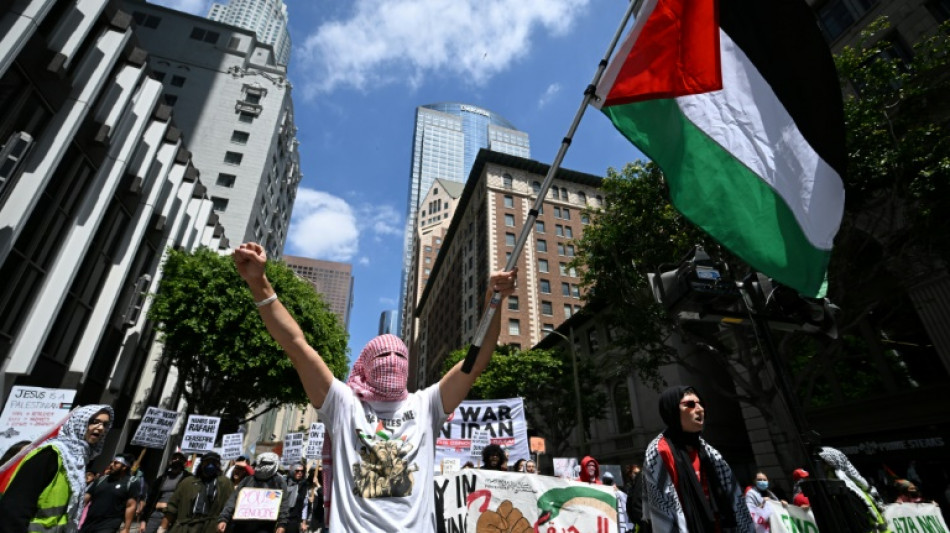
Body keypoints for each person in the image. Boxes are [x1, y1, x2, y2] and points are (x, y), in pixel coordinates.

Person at [232, 241, 517, 532]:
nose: (391, 361)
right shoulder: (342, 404)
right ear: (365, 365)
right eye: (382, 355)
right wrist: (259, 283)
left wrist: (493, 302)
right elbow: (296, 345)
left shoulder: (427, 405)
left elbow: (476, 361)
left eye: (399, 355)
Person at [643, 386, 754, 533]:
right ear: (672, 411)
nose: (700, 409)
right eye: (690, 404)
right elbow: (664, 514)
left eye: (700, 403)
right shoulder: (660, 451)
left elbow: (733, 499)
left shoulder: (707, 450)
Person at [0, 404, 114, 533]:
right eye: (94, 422)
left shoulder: (77, 460)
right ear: (79, 422)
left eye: (105, 424)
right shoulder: (51, 454)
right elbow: (14, 507)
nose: (100, 428)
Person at [161, 451, 233, 533]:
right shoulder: (188, 482)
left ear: (218, 465)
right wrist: (162, 529)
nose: (210, 465)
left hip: (209, 528)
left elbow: (230, 506)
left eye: (214, 462)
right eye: (207, 462)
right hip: (184, 528)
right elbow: (172, 508)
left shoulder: (224, 484)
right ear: (201, 464)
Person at [218, 452, 290, 533]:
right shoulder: (247, 480)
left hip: (265, 528)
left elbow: (284, 504)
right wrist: (223, 519)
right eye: (263, 463)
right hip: (242, 526)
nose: (265, 467)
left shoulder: (279, 482)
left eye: (268, 464)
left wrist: (282, 524)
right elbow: (233, 500)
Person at [80, 453, 140, 533]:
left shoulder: (131, 483)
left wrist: (126, 528)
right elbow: (86, 498)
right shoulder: (101, 480)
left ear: (124, 467)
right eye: (111, 462)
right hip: (89, 522)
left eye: (116, 463)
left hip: (109, 524)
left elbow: (131, 506)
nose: (111, 465)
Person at [140, 452, 192, 533]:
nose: (176, 461)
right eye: (175, 458)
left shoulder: (188, 479)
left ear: (184, 463)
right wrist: (143, 520)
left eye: (180, 459)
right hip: (155, 515)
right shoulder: (162, 478)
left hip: (172, 518)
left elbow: (187, 500)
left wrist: (169, 506)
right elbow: (151, 499)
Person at [285, 462, 311, 533]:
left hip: (294, 520)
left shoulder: (304, 485)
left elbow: (305, 505)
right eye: (297, 471)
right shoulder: (283, 483)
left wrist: (304, 522)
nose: (300, 473)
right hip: (281, 518)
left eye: (302, 471)